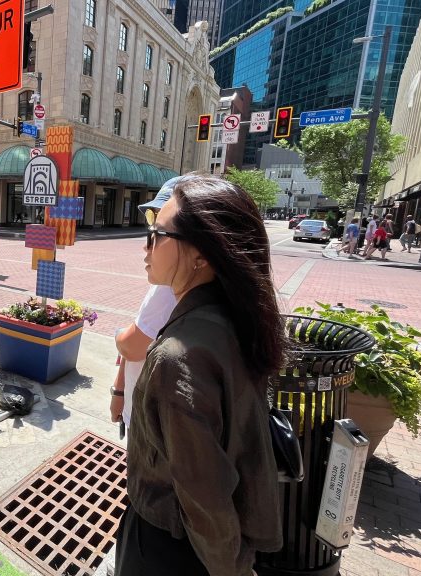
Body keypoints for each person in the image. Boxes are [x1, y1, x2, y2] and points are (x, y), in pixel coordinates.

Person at [115, 174, 282, 576]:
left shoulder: (179, 357)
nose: (146, 245)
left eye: (157, 233)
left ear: (201, 254)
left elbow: (204, 495)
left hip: (170, 549)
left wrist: (234, 569)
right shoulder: (234, 319)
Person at [110, 179, 181, 430]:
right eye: (151, 224)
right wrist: (119, 390)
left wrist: (120, 335)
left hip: (148, 423)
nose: (147, 243)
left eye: (159, 232)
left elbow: (131, 346)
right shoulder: (169, 280)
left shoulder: (169, 289)